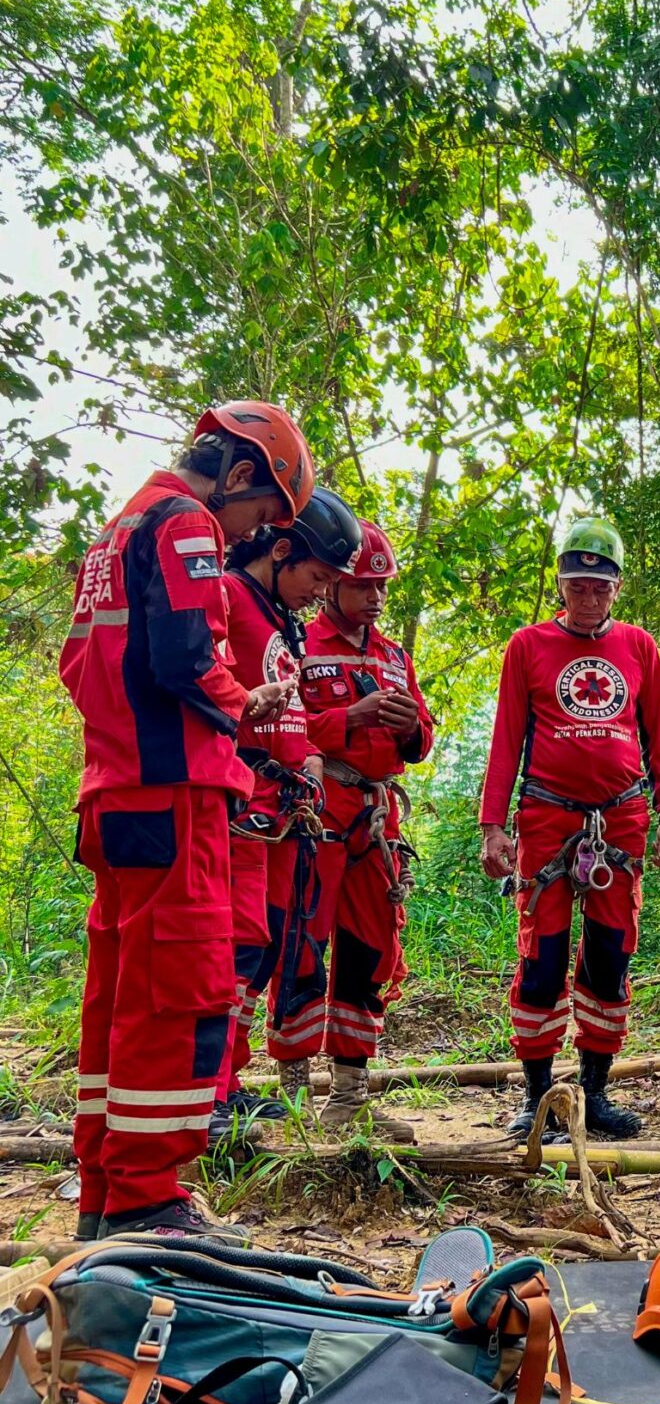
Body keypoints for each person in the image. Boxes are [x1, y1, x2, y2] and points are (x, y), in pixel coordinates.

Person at [60, 400, 314, 1240]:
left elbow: (83, 665)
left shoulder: (114, 533)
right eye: (261, 517)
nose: (251, 538)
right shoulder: (182, 523)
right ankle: (147, 1197)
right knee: (182, 992)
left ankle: (104, 1185)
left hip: (116, 791)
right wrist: (246, 702)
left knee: (119, 991)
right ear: (239, 475)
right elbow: (186, 659)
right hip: (175, 795)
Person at [479, 518, 660, 1141]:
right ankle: (539, 1097)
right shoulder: (528, 646)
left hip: (620, 822)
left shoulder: (639, 648)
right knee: (540, 959)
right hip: (546, 821)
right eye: (578, 583)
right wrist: (493, 825)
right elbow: (507, 737)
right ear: (561, 585)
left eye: (601, 585)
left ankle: (593, 1092)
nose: (589, 594)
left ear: (616, 588)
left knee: (608, 959)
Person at [267, 519, 432, 1140]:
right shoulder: (299, 644)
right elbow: (275, 726)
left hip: (377, 820)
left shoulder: (394, 657)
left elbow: (420, 743)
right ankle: (290, 1093)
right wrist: (346, 719)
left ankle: (351, 1091)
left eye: (382, 589)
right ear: (335, 585)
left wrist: (412, 727)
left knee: (369, 950)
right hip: (317, 810)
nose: (375, 599)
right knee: (301, 943)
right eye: (364, 586)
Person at [213, 488, 364, 1145]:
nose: (320, 592)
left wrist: (302, 766)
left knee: (267, 945)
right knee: (235, 947)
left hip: (284, 812)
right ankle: (210, 1089)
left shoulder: (278, 616)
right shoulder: (225, 597)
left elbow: (290, 711)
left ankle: (231, 1080)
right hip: (242, 806)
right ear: (280, 551)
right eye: (318, 577)